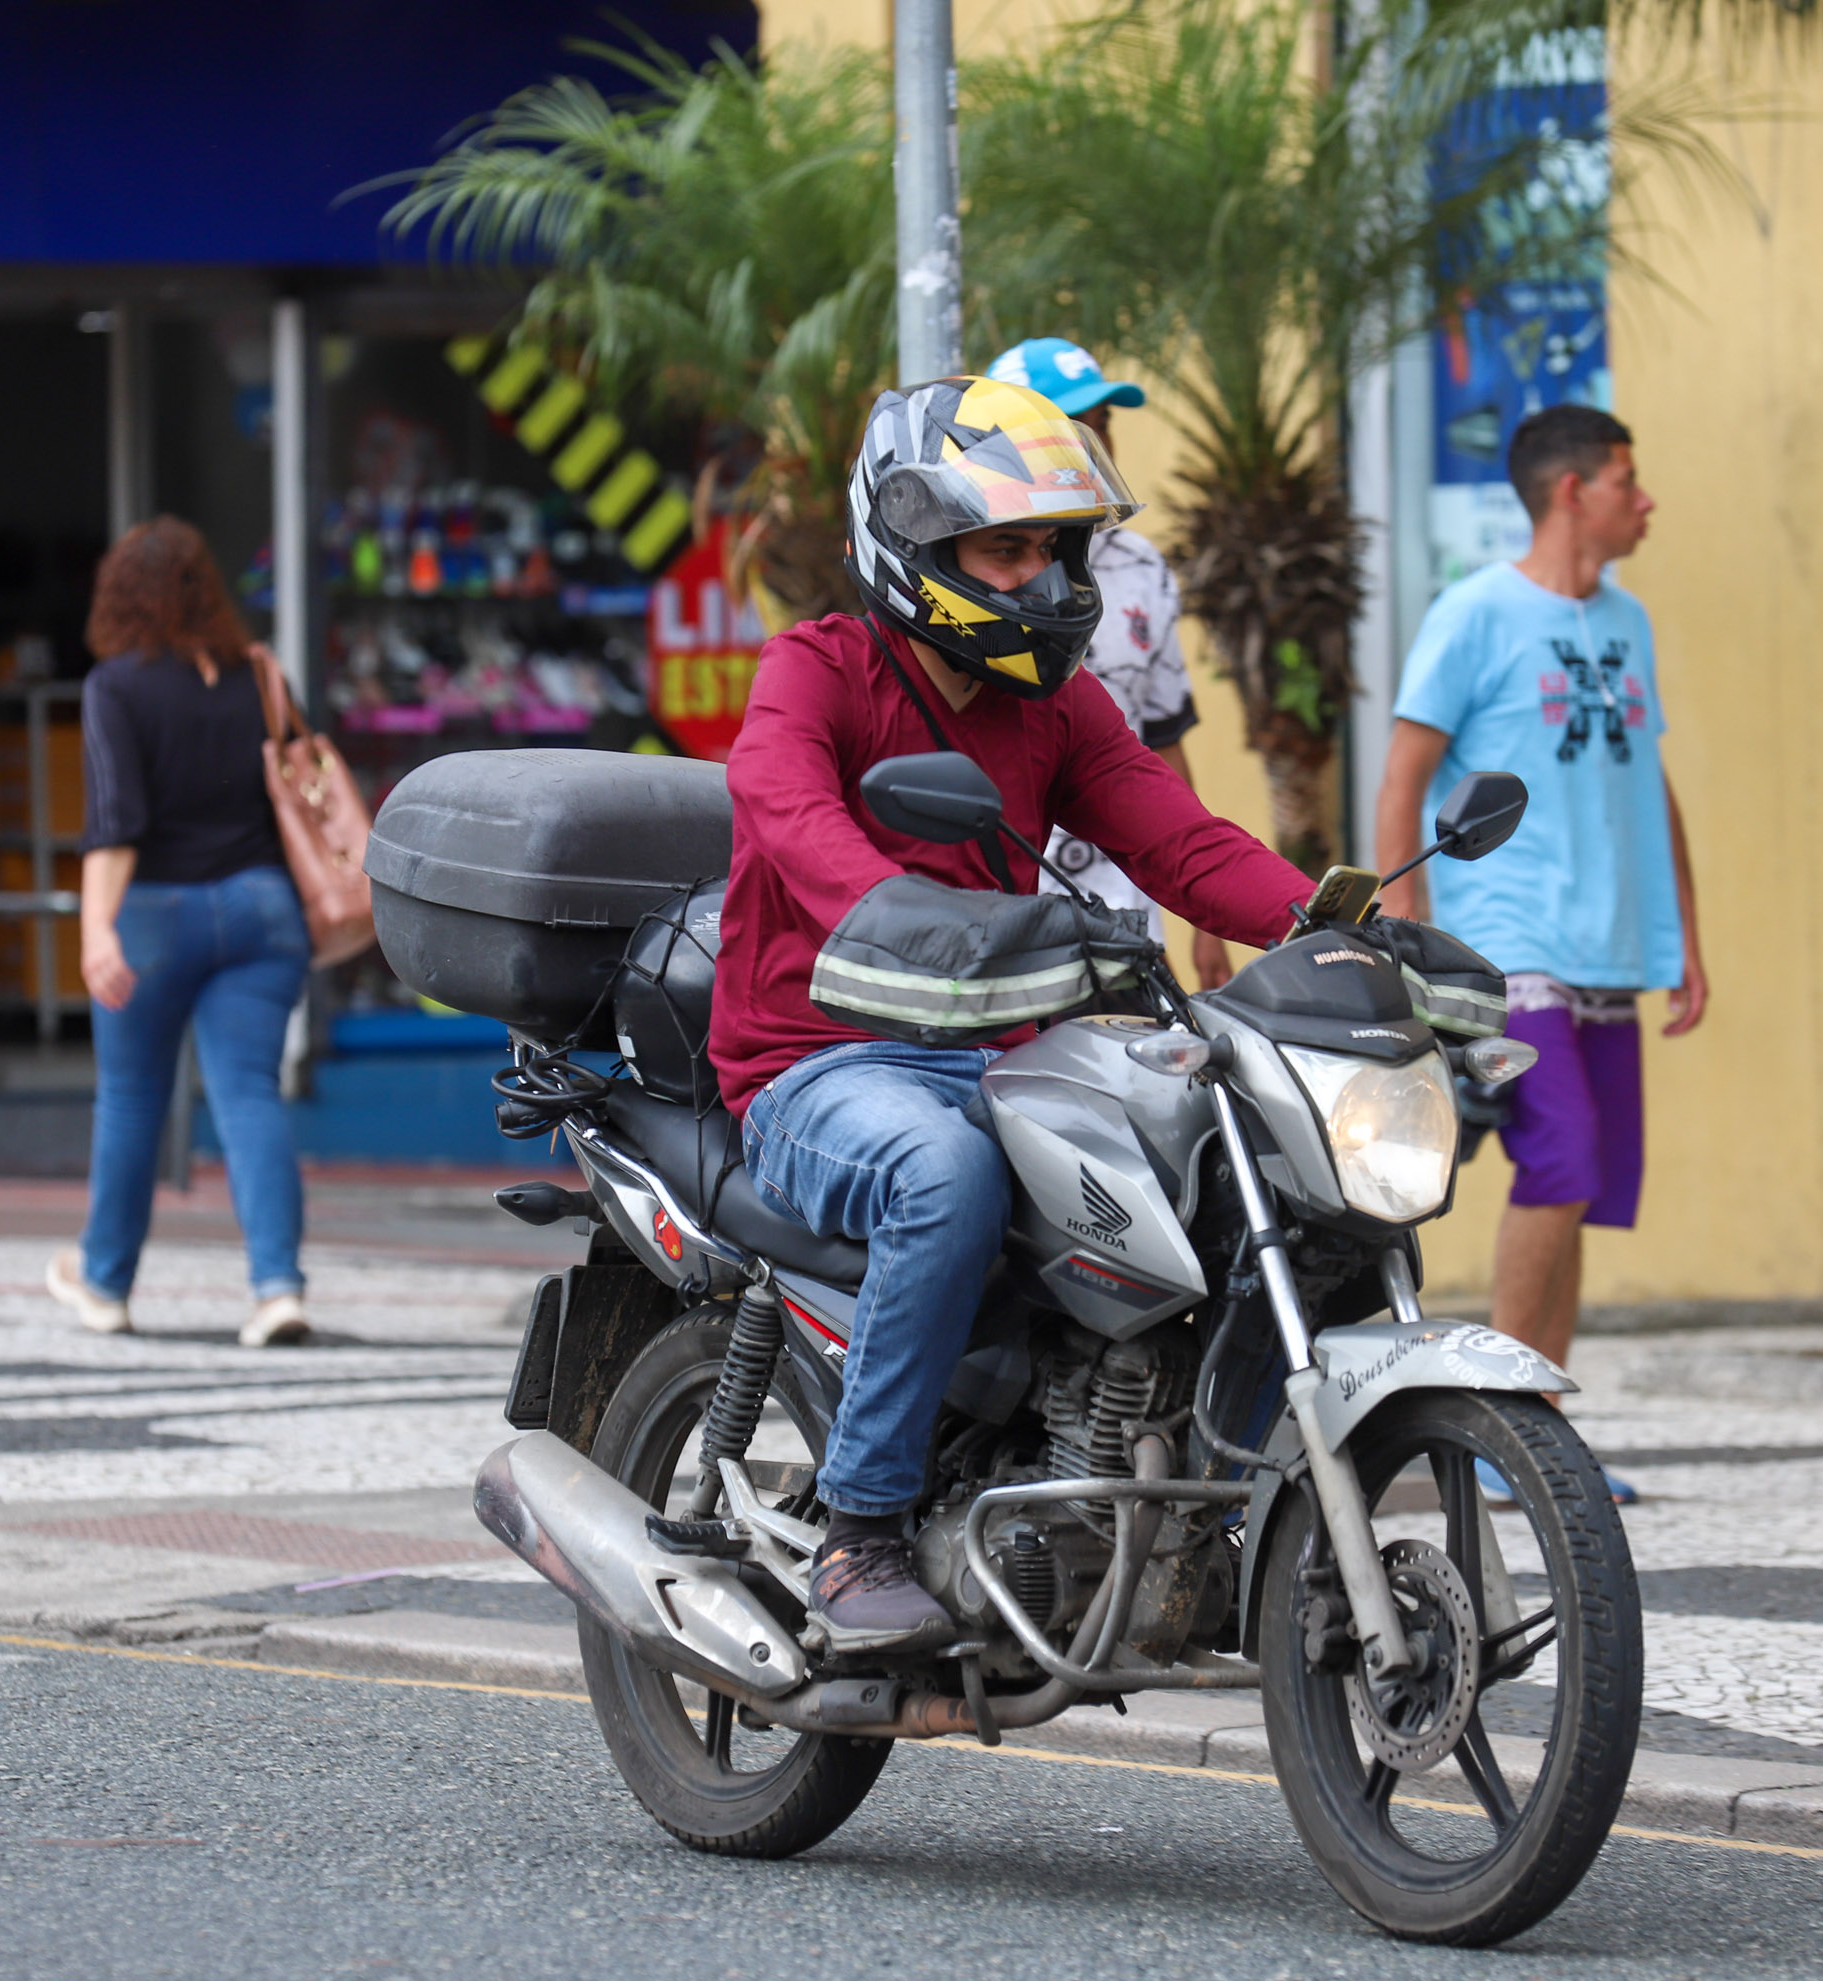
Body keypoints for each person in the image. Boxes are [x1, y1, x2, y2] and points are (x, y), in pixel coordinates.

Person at [715, 376, 1315, 1650]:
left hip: (1001, 1049)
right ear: (922, 548)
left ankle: (1192, 1498)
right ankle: (859, 1528)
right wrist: (902, 913)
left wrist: (1340, 924)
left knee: (1230, 1165)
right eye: (1007, 548)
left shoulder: (1058, 703)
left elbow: (1187, 846)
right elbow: (792, 817)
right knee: (944, 1173)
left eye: (1053, 547)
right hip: (817, 1062)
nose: (1041, 580)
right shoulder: (815, 671)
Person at [1372, 406, 1709, 1502]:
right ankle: (1503, 1428)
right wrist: (1408, 934)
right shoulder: (1475, 613)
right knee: (1557, 1158)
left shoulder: (1628, 621)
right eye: (1629, 478)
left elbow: (1644, 779)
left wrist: (1686, 936)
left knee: (1594, 1176)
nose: (1644, 499)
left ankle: (1546, 1425)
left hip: (1609, 939)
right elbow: (1404, 776)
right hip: (1509, 944)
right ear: (1573, 490)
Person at [43, 517, 316, 1349]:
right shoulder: (258, 675)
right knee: (248, 1094)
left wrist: (95, 929)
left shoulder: (117, 686)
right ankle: (277, 1289)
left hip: (155, 914)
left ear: (121, 594)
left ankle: (104, 1283)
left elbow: (116, 824)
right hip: (265, 910)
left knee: (130, 1099)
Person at [982, 338, 1239, 994]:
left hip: (1126, 907)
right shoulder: (967, 573)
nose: (1097, 444)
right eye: (1075, 429)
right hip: (1007, 911)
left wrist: (1203, 918)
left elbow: (1164, 741)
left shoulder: (1144, 566)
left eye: (1103, 426)